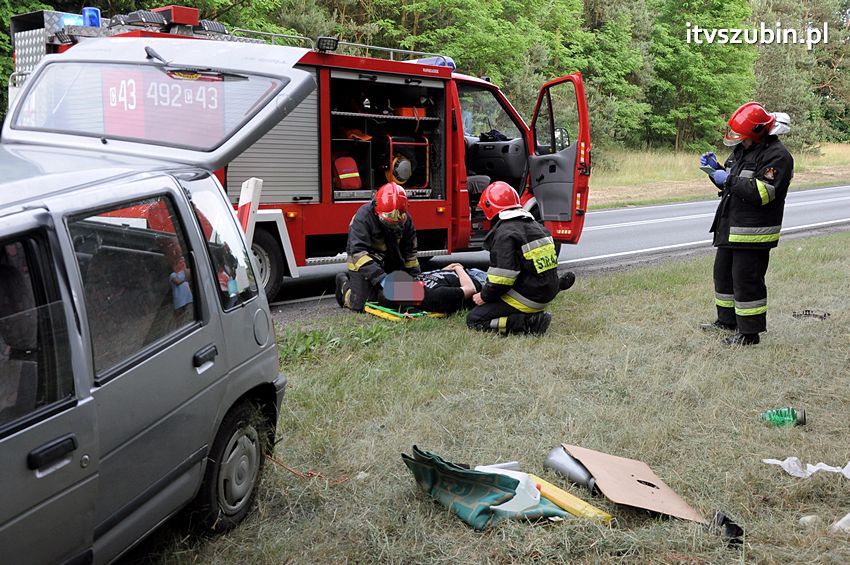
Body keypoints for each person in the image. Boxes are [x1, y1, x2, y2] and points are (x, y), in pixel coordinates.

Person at [700, 102, 793, 345]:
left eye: (744, 137)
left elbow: (763, 192)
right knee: (723, 276)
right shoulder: (743, 150)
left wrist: (727, 179)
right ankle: (727, 321)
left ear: (758, 133)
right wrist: (714, 171)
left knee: (747, 281)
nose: (740, 141)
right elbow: (730, 183)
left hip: (754, 233)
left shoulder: (778, 156)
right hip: (731, 226)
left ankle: (749, 334)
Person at [466, 181, 573, 336]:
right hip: (545, 290)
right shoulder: (537, 227)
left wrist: (484, 296)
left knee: (474, 319)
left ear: (490, 208)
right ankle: (559, 285)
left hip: (527, 297)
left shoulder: (505, 234)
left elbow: (502, 279)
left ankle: (528, 323)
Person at [336, 182, 421, 311]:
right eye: (389, 223)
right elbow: (358, 254)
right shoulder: (363, 218)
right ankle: (343, 286)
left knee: (394, 298)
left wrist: (416, 278)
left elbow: (410, 256)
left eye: (397, 223)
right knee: (363, 304)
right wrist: (383, 280)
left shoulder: (405, 220)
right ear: (377, 210)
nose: (393, 226)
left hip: (390, 261)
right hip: (363, 264)